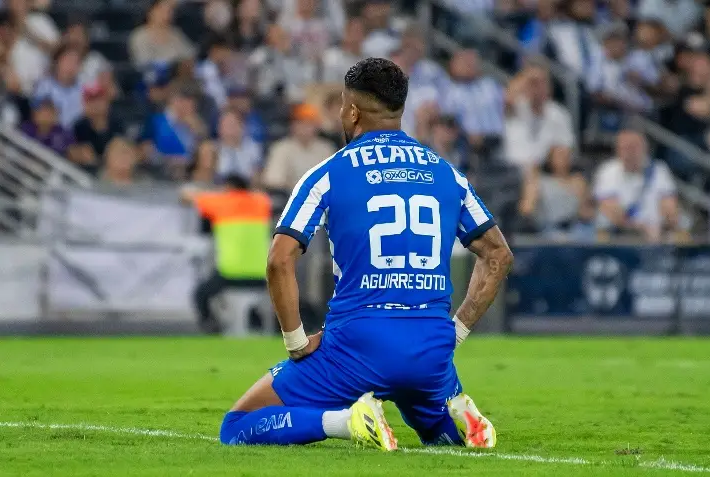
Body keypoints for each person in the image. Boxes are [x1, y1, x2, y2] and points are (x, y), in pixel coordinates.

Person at [218, 58, 514, 451]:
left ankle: (346, 420)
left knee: (238, 424)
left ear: (352, 111)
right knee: (431, 430)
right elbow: (497, 254)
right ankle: (458, 423)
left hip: (356, 346)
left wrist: (295, 341)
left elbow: (280, 258)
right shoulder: (446, 173)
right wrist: (454, 331)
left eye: (342, 104)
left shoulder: (328, 172)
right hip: (430, 348)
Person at [181, 174, 272, 334]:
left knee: (200, 294)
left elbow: (187, 195)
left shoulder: (222, 202)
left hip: (230, 273)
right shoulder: (261, 202)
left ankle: (211, 328)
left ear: (229, 188)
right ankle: (257, 319)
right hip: (261, 275)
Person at [593, 129, 681, 241]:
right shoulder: (608, 171)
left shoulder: (659, 170)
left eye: (634, 147)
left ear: (645, 148)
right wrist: (642, 229)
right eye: (625, 148)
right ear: (617, 150)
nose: (630, 153)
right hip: (618, 236)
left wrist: (666, 222)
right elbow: (612, 213)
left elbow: (670, 208)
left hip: (656, 236)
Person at [261, 103, 336, 196]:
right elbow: (273, 181)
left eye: (310, 123)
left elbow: (337, 179)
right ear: (293, 125)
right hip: (291, 200)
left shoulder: (326, 148)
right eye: (301, 123)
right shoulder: (281, 148)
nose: (305, 127)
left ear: (316, 126)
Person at [70, 82, 124, 175]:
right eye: (91, 100)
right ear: (85, 104)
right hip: (88, 174)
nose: (96, 105)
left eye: (99, 99)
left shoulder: (117, 123)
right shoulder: (79, 126)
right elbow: (77, 153)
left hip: (116, 173)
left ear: (107, 102)